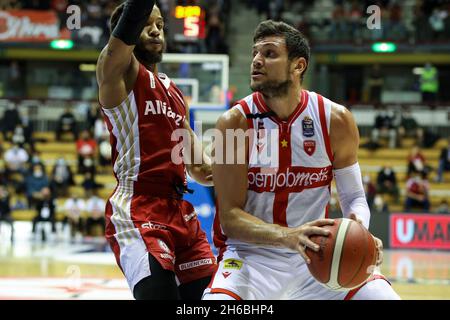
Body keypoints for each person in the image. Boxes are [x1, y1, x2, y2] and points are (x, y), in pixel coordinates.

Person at [204, 20, 400, 300]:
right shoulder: (234, 123)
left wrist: (359, 231)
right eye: (255, 54)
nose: (257, 61)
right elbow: (230, 218)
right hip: (251, 259)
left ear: (298, 66)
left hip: (317, 257)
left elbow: (355, 196)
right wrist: (289, 236)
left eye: (269, 54)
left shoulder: (335, 120)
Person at [96, 0, 216, 300]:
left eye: (161, 25)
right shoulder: (118, 70)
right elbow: (122, 38)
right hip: (138, 207)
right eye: (146, 24)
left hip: (180, 212)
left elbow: (203, 169)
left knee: (213, 299)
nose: (155, 30)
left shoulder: (174, 92)